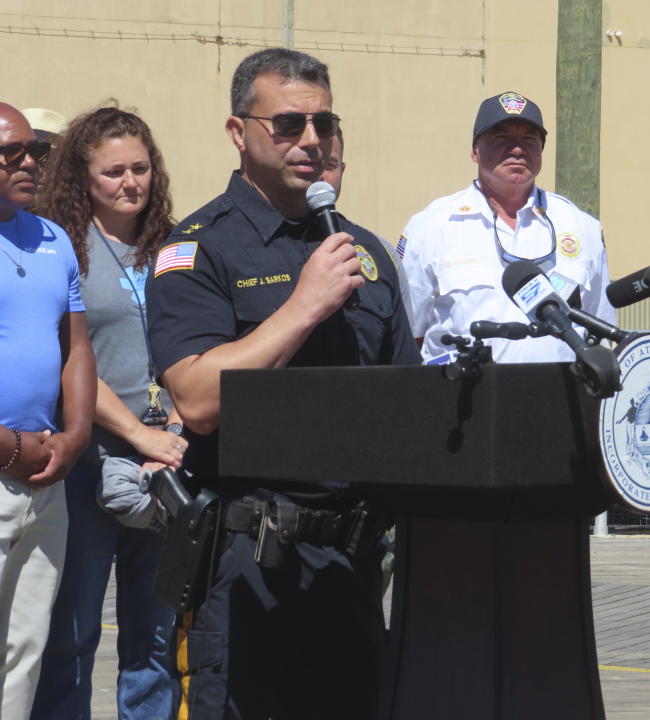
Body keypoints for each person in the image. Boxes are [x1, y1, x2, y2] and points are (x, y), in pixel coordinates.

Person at [146, 48, 419, 720]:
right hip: (248, 570)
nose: (312, 141)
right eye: (288, 124)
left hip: (351, 567)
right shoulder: (200, 249)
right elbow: (199, 399)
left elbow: (407, 404)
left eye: (324, 125)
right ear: (239, 133)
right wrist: (303, 307)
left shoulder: (363, 252)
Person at [30, 106, 184, 720]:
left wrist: (172, 432)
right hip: (90, 458)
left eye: (141, 168)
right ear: (82, 178)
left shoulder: (175, 244)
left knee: (153, 636)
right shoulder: (61, 246)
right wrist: (139, 433)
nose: (131, 183)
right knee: (74, 632)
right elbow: (66, 359)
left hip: (169, 458)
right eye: (113, 171)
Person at [0, 102, 96, 720]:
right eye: (13, 154)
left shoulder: (52, 237)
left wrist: (76, 436)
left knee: (24, 650)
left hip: (45, 472)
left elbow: (77, 348)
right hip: (8, 460)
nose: (31, 163)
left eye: (37, 151)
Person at [400, 90, 616, 362]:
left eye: (529, 138)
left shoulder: (582, 227)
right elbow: (408, 335)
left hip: (558, 398)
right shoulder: (432, 226)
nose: (517, 148)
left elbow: (599, 330)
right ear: (475, 151)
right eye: (501, 137)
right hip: (464, 397)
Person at [321, 128, 413, 321]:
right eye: (309, 164)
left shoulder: (380, 252)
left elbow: (404, 344)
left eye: (329, 165)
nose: (319, 176)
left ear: (342, 171)